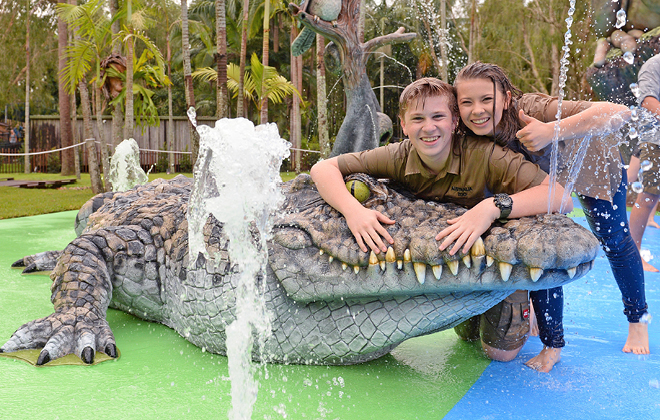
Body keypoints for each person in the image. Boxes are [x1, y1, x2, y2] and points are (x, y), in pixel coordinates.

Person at [310, 77, 570, 366]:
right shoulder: (398, 155)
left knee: (499, 354)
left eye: (438, 116)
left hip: (498, 251)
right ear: (404, 124)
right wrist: (353, 210)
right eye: (418, 119)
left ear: (455, 121)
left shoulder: (485, 155)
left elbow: (561, 196)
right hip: (452, 251)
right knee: (467, 335)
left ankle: (525, 300)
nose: (429, 127)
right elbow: (323, 168)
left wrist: (492, 207)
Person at [453, 62, 650, 373]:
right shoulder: (468, 132)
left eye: (486, 99)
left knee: (613, 239)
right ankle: (552, 342)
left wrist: (551, 130)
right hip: (546, 184)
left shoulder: (531, 108)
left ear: (506, 98)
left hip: (593, 164)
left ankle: (637, 318)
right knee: (541, 242)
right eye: (467, 102)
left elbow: (619, 112)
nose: (477, 110)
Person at [629, 53, 660, 272]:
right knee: (649, 195)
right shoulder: (654, 65)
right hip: (655, 139)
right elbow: (647, 100)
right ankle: (633, 255)